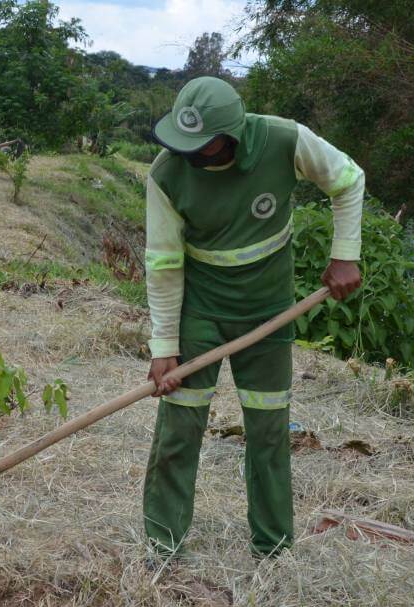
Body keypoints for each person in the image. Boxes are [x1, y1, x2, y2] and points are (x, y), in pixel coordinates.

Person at [142, 77, 364, 559]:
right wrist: (164, 347)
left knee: (267, 430)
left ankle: (272, 547)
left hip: (269, 315)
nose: (190, 154)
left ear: (233, 136)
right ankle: (163, 548)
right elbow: (162, 265)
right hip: (199, 315)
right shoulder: (165, 176)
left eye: (201, 145)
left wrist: (345, 254)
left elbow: (348, 180)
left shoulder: (285, 140)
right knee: (179, 428)